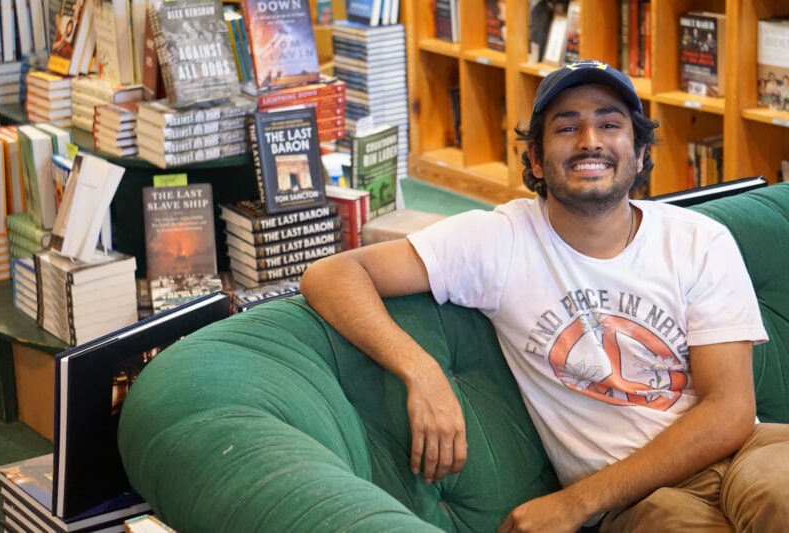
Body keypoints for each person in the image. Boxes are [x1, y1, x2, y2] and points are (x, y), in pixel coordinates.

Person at [300, 59, 789, 531]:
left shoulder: (699, 241)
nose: (590, 141)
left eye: (610, 124)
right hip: (637, 501)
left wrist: (573, 504)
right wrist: (420, 369)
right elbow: (331, 276)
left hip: (749, 453)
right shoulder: (499, 241)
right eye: (567, 127)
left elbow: (729, 412)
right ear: (534, 157)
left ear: (640, 153)